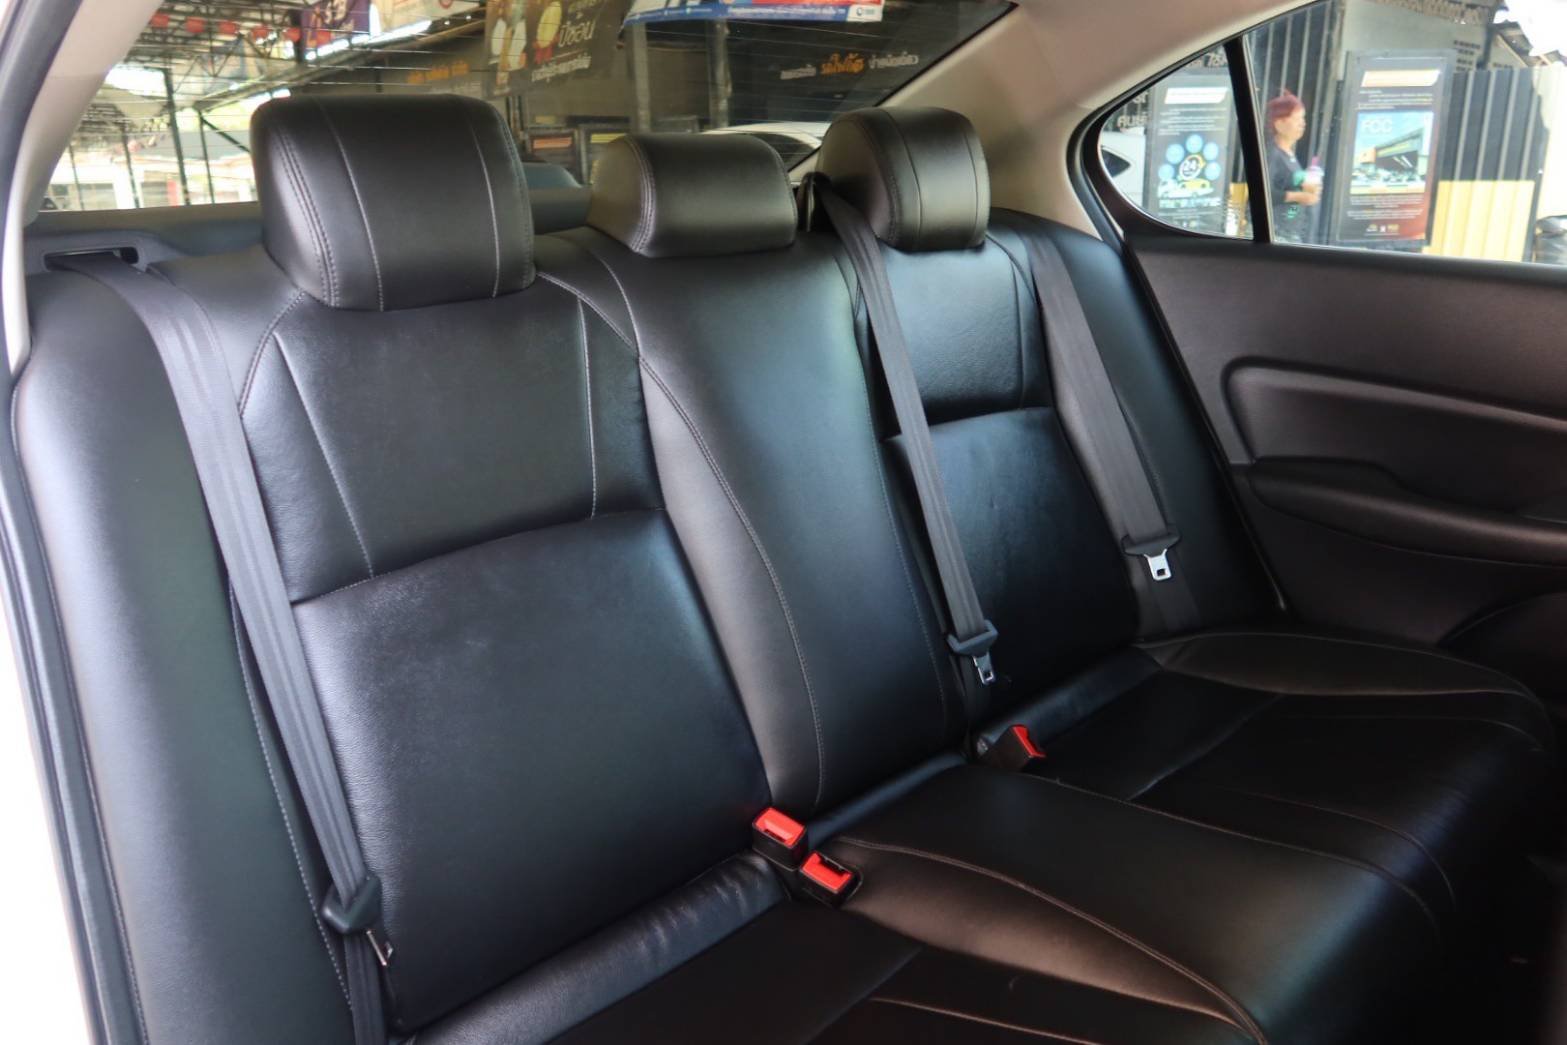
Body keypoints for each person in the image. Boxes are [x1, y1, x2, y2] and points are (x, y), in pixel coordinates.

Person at [1265, 91, 1320, 243]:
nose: (1303, 124)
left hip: (1290, 232)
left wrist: (1306, 187)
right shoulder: (1272, 154)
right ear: (1279, 124)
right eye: (1297, 119)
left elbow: (1287, 184)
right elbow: (1263, 193)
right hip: (1277, 234)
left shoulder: (1289, 153)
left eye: (1303, 118)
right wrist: (1299, 196)